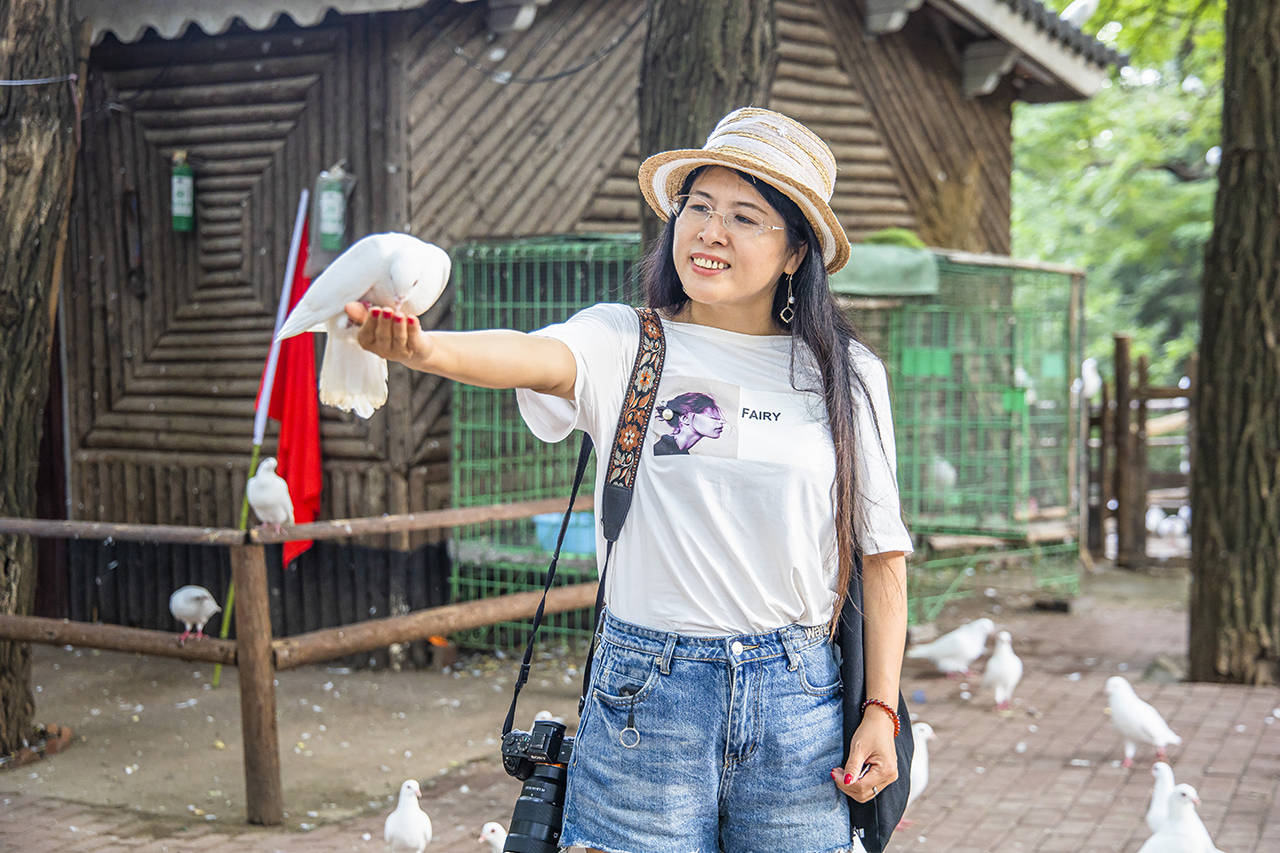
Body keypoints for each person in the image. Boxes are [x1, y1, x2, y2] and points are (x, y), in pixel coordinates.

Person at [348, 107, 912, 853]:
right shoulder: (626, 341)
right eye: (699, 207)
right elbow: (527, 354)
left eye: (745, 216)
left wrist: (880, 707)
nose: (711, 232)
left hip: (799, 700)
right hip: (648, 694)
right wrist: (423, 349)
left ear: (795, 251)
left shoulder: (846, 375)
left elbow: (883, 558)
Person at [652, 391, 727, 455]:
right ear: (685, 418)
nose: (721, 423)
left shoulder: (679, 452)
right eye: (714, 418)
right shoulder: (661, 450)